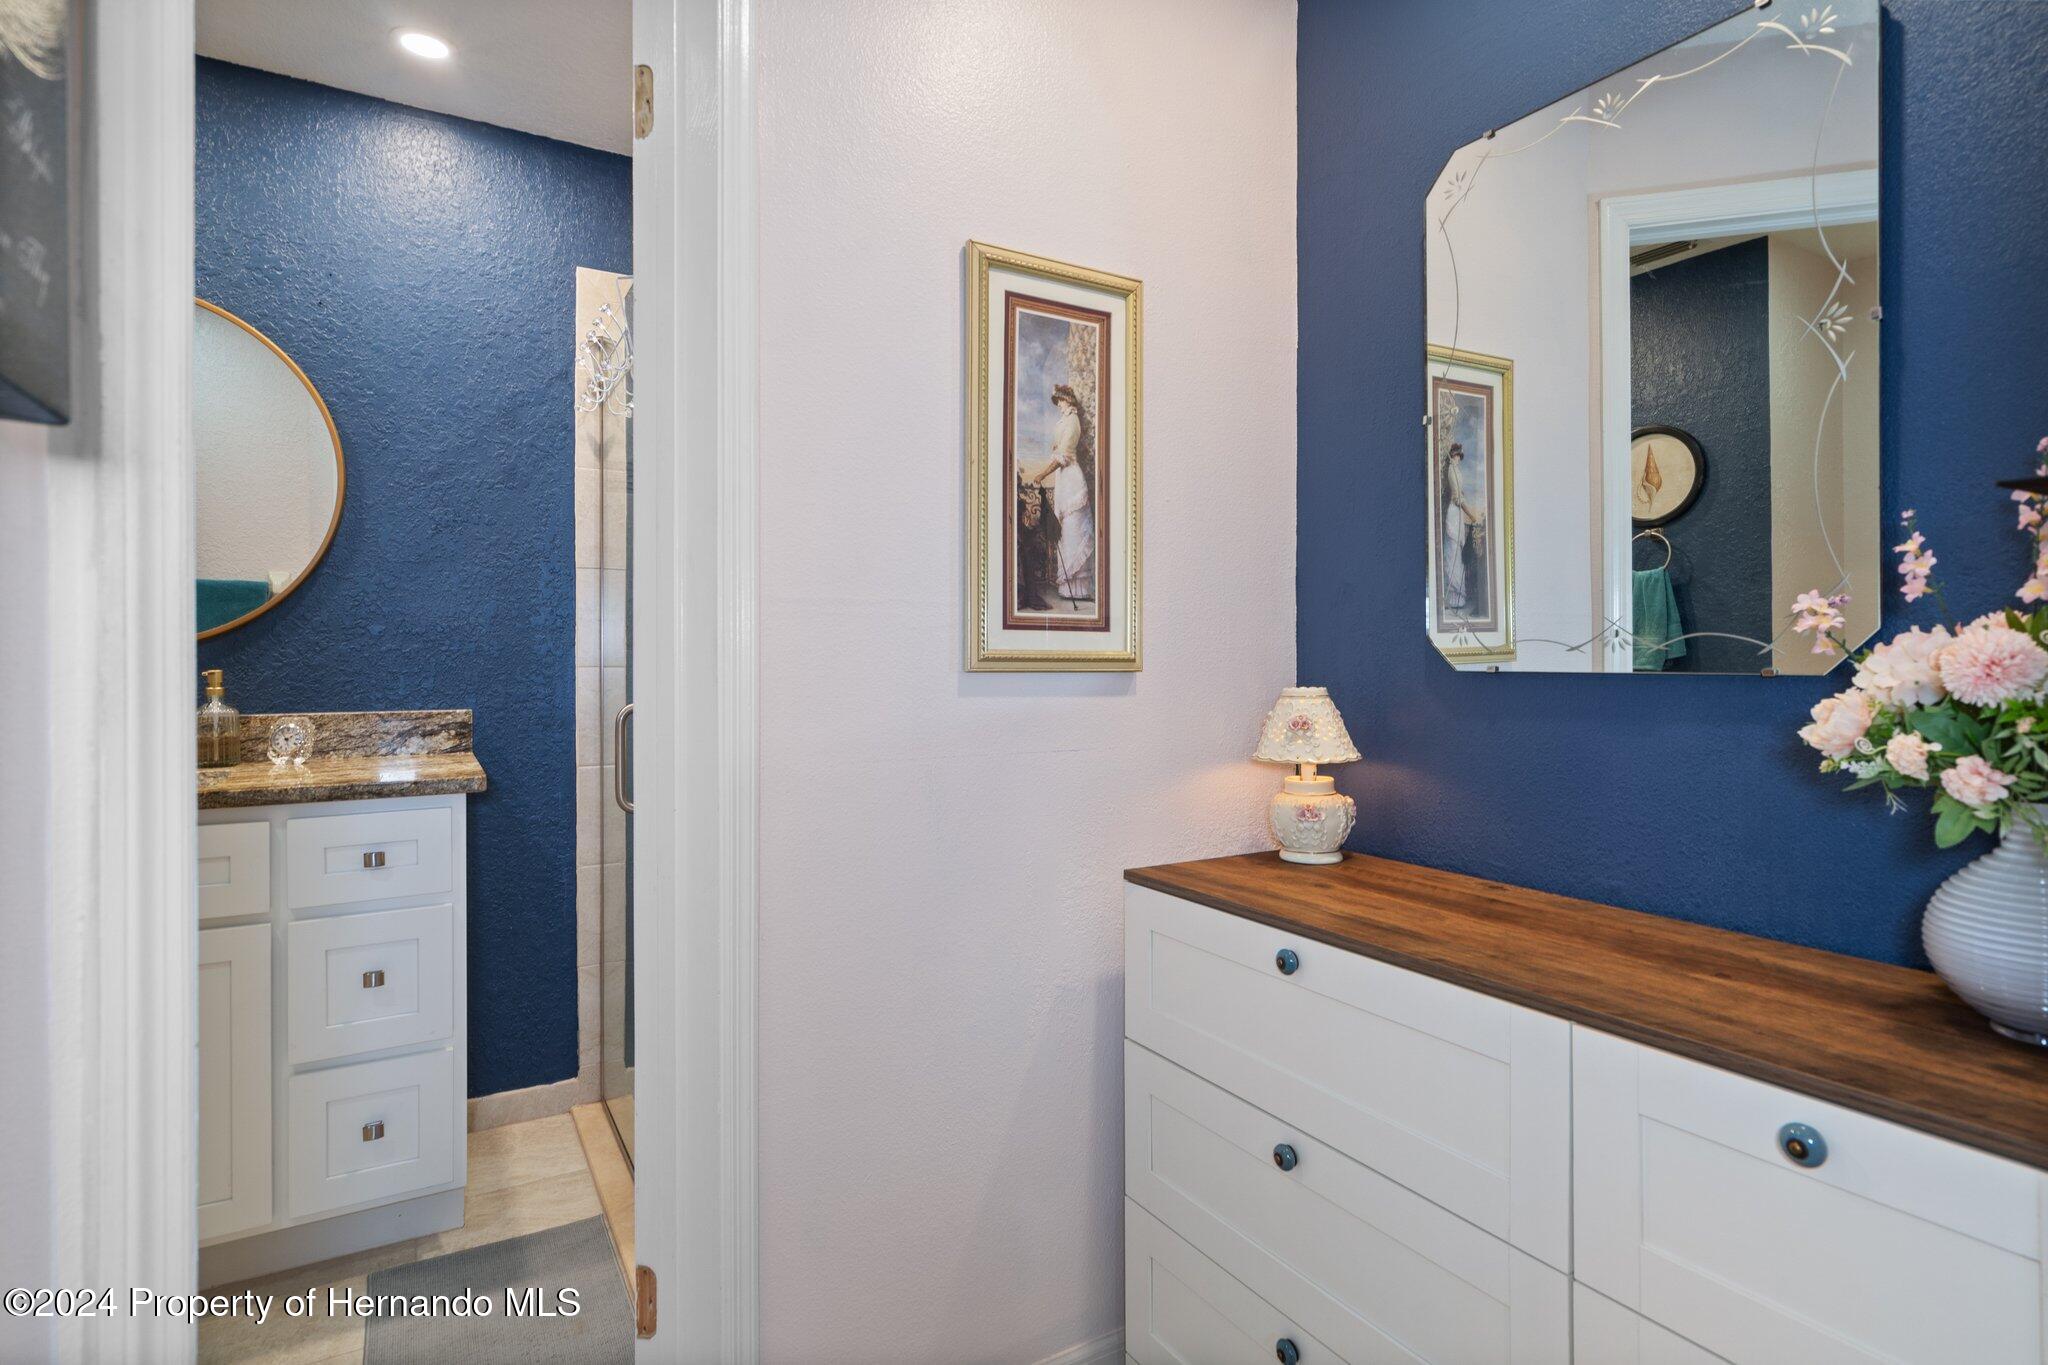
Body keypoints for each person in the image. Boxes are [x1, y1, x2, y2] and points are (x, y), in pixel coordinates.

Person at [1046, 384, 1095, 605]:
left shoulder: (1073, 421)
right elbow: (1059, 447)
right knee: (1067, 532)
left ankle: (1080, 589)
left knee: (1075, 530)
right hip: (1064, 480)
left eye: (1061, 401)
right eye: (1057, 401)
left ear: (1068, 400)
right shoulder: (1063, 421)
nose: (1059, 405)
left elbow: (1064, 455)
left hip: (1072, 479)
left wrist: (1040, 474)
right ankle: (1068, 589)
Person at [1440, 441, 1484, 613]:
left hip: (1457, 513)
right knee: (1452, 554)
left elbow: (1460, 493)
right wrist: (1471, 515)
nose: (1458, 458)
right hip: (1454, 512)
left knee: (1457, 555)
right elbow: (1457, 498)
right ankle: (1453, 596)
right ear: (1452, 455)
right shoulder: (1452, 470)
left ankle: (1458, 597)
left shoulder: (1456, 470)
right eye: (1456, 455)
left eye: (1459, 455)